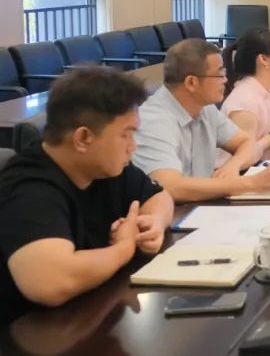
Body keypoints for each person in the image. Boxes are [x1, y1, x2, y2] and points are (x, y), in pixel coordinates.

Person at [0, 67, 174, 322]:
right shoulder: (30, 188)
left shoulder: (105, 167)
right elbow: (50, 283)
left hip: (88, 314)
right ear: (83, 138)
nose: (132, 146)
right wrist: (124, 248)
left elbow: (159, 196)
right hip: (30, 332)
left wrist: (153, 223)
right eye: (125, 134)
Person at [133, 39, 270, 203]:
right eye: (219, 74)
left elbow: (246, 142)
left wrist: (232, 166)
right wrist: (250, 183)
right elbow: (170, 187)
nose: (225, 80)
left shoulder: (204, 108)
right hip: (170, 213)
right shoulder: (153, 121)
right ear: (191, 82)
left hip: (202, 206)